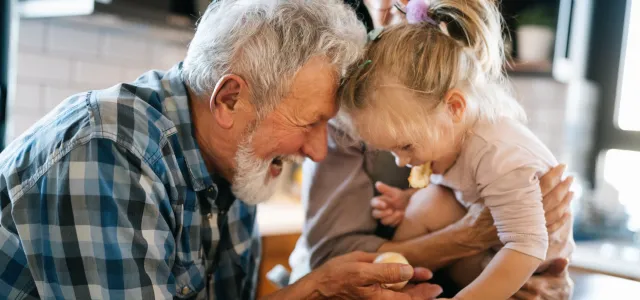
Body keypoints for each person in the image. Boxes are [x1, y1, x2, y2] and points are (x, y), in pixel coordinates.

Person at [0, 1, 444, 299]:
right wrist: (314, 289)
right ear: (229, 99)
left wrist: (319, 290)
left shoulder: (237, 162)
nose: (317, 151)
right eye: (310, 123)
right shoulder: (107, 152)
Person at [338, 0, 575, 299]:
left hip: (531, 274)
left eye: (406, 147)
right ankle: (401, 286)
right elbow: (471, 189)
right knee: (428, 200)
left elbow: (526, 247)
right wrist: (409, 199)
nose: (401, 162)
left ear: (454, 107)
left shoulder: (501, 155)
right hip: (491, 254)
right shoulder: (453, 134)